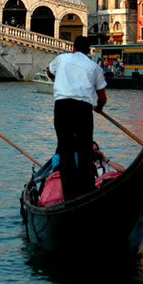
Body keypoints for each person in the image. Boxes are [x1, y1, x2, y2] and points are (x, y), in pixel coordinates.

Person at [46, 36, 107, 201]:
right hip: (83, 109)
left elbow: (49, 71)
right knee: (84, 148)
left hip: (62, 107)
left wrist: (57, 79)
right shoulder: (94, 67)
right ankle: (86, 190)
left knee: (65, 148)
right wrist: (99, 108)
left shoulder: (62, 59)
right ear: (89, 51)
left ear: (73, 47)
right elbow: (102, 98)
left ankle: (70, 193)